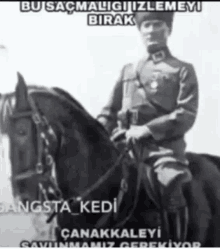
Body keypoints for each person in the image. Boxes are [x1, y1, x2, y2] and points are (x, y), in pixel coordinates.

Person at [97, 11, 198, 241]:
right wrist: (94, 131)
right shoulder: (128, 71)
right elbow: (109, 112)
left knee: (169, 185)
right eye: (147, 25)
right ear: (140, 31)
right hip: (123, 149)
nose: (151, 30)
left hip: (163, 151)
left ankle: (177, 242)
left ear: (168, 30)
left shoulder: (181, 69)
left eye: (158, 24)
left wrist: (147, 130)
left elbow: (186, 113)